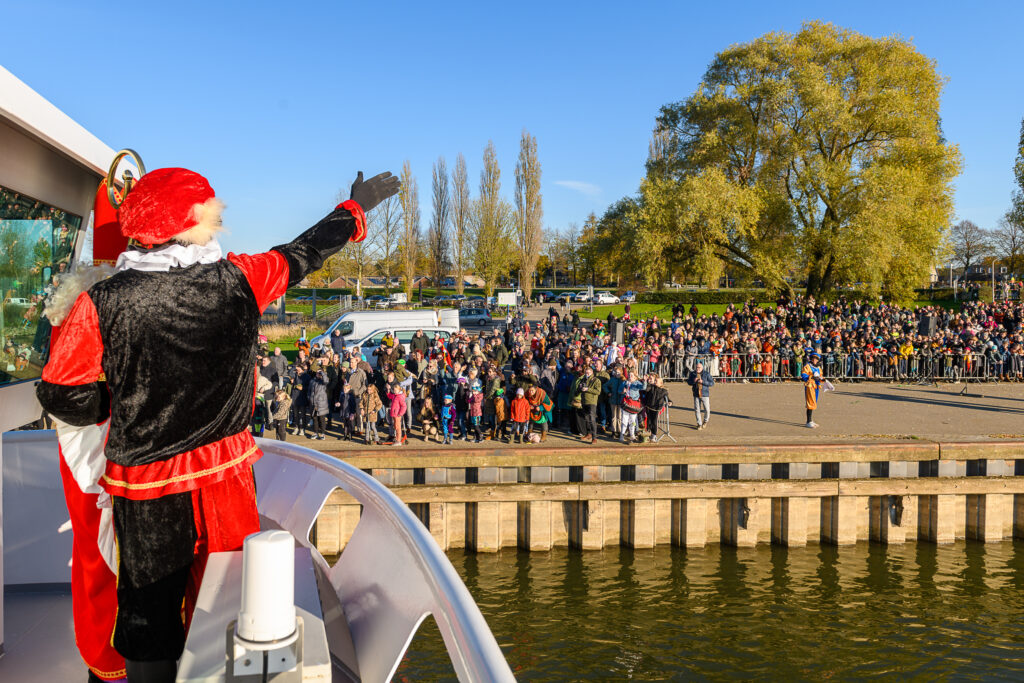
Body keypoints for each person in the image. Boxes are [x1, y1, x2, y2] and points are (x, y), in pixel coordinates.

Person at [35, 165, 398, 682]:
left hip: (146, 489)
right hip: (224, 475)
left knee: (149, 612)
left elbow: (61, 393)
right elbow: (302, 253)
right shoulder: (240, 279)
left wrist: (116, 400)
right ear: (191, 220)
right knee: (230, 601)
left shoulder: (101, 304)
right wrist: (354, 209)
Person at [688, 360, 714, 430]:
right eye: (697, 367)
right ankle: (699, 424)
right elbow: (689, 382)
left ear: (702, 368)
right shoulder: (692, 374)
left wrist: (703, 382)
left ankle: (705, 421)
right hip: (696, 393)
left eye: (699, 367)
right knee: (697, 409)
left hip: (705, 394)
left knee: (707, 409)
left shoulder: (706, 374)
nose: (698, 369)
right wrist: (694, 381)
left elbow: (712, 383)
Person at [801, 352, 824, 428]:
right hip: (810, 385)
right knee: (810, 402)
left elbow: (820, 376)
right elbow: (804, 375)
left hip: (816, 386)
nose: (815, 360)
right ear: (811, 358)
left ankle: (810, 420)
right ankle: (808, 421)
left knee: (814, 402)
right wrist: (812, 377)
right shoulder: (807, 366)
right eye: (813, 358)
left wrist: (823, 380)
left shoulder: (818, 368)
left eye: (816, 358)